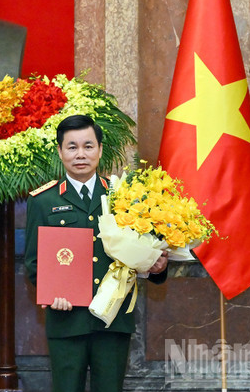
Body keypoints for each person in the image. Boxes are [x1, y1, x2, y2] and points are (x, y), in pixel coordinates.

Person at [24, 115, 168, 392]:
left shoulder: (125, 197)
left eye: (88, 146)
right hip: (66, 320)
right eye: (72, 147)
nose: (81, 154)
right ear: (60, 151)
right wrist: (51, 293)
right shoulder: (43, 201)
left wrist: (156, 267)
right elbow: (34, 264)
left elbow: (147, 253)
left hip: (113, 320)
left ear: (100, 150)